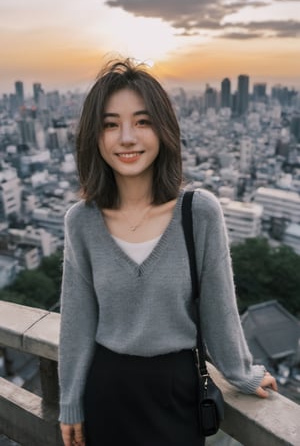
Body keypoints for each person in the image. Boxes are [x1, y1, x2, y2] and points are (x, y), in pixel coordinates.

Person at [58, 58, 277, 446]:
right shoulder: (82, 221)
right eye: (111, 124)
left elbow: (219, 307)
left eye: (142, 121)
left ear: (164, 130)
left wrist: (241, 372)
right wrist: (71, 402)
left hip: (177, 390)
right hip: (107, 390)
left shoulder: (198, 212)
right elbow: (77, 321)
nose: (126, 137)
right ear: (95, 137)